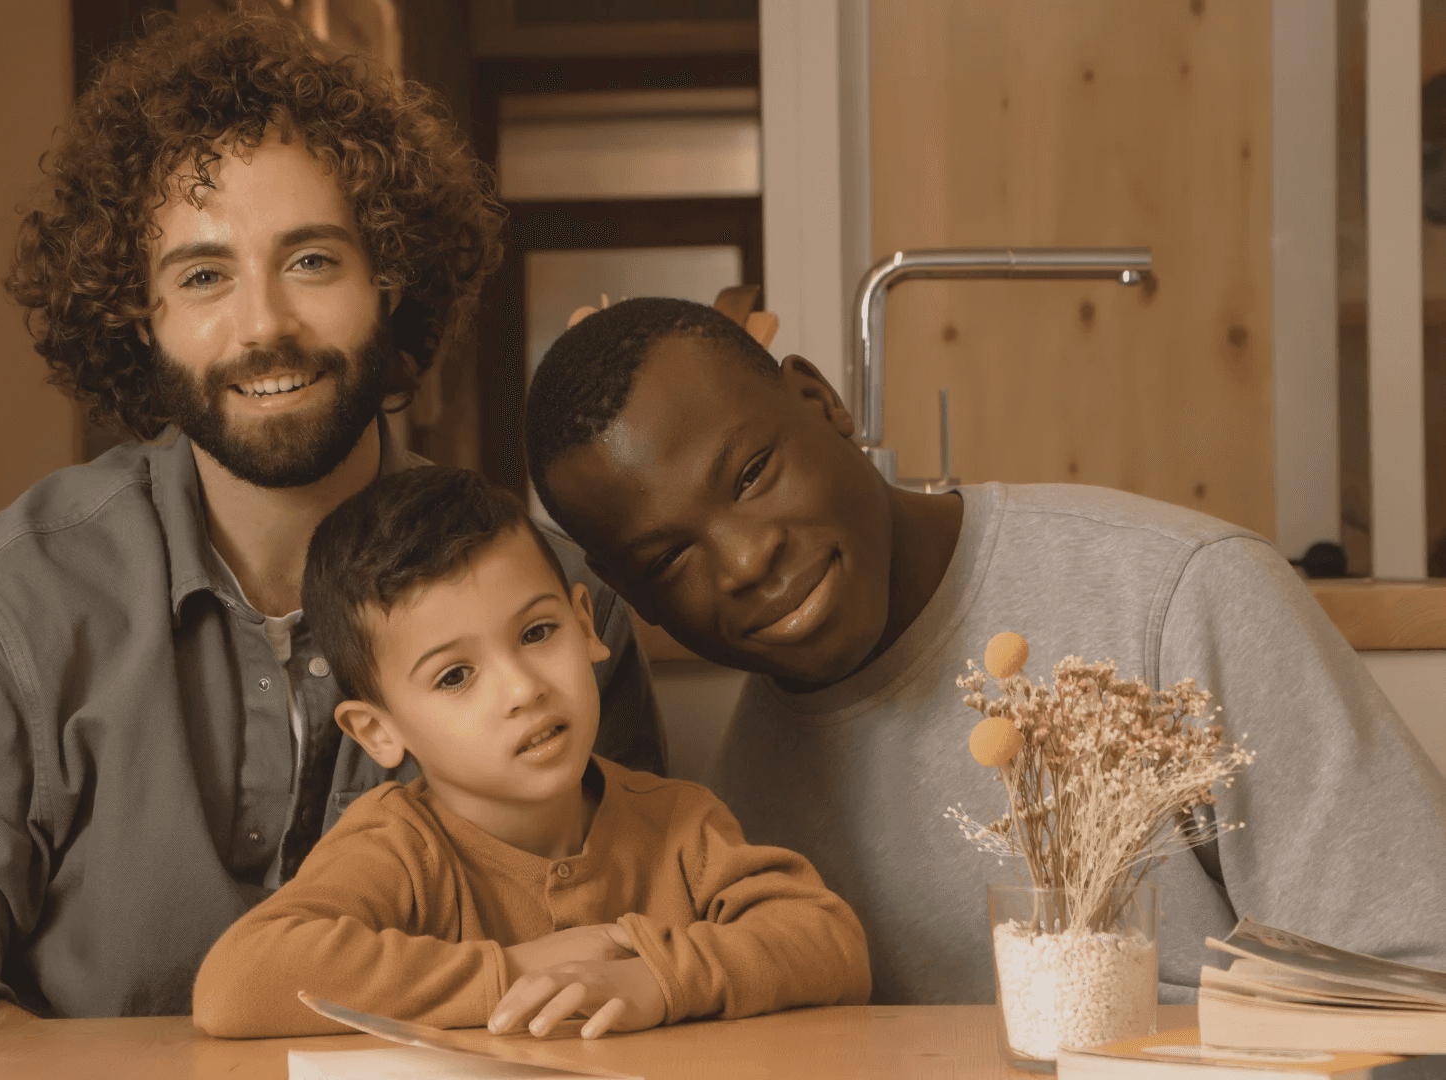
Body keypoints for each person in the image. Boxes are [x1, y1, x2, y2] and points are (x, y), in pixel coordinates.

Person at [0, 14, 663, 1027]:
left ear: (392, 283)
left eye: (313, 261)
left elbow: (646, 960)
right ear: (138, 316)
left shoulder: (563, 611)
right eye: (202, 276)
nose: (263, 327)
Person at [522, 296, 1446, 1006]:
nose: (744, 556)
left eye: (753, 474)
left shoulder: (1177, 598)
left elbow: (1419, 979)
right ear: (631, 599)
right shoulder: (735, 806)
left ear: (822, 403)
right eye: (669, 557)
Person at [190, 466, 870, 1038]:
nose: (522, 689)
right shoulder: (396, 846)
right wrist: (516, 972)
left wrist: (657, 981)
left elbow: (828, 943)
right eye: (455, 676)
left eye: (538, 632)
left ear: (584, 625)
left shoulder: (679, 824)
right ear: (377, 731)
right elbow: (238, 982)